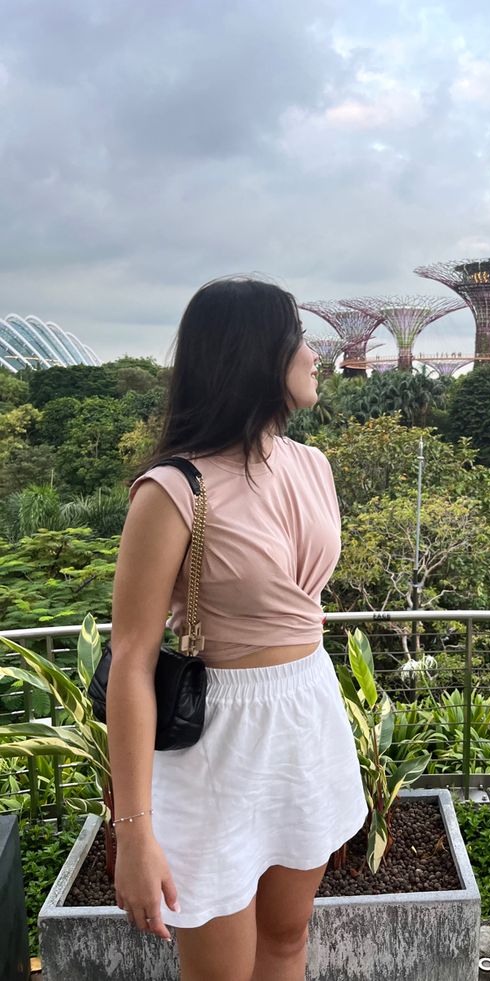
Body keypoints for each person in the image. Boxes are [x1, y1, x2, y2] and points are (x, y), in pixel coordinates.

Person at [107, 277, 368, 981]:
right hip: (219, 739)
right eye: (299, 340)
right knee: (220, 969)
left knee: (286, 939)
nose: (315, 355)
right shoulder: (172, 489)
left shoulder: (313, 466)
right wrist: (133, 833)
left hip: (304, 712)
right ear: (255, 356)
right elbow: (130, 659)